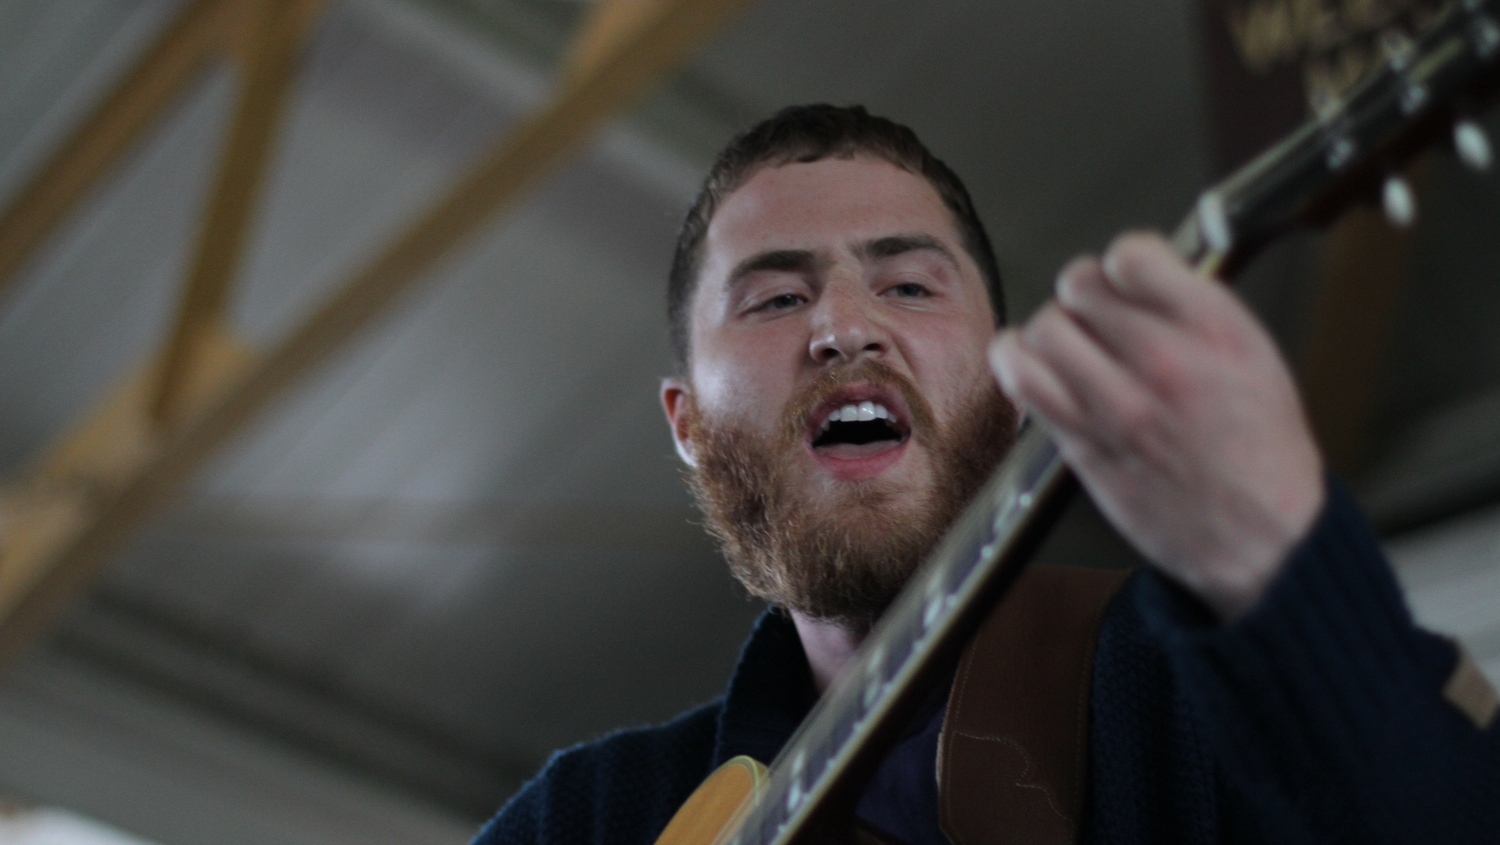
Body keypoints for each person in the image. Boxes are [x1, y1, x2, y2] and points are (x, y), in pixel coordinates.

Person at [473, 105, 1499, 845]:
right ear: (687, 421)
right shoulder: (597, 816)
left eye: (909, 284)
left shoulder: (1197, 682)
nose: (843, 327)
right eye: (776, 299)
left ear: (1010, 391)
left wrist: (1282, 569)